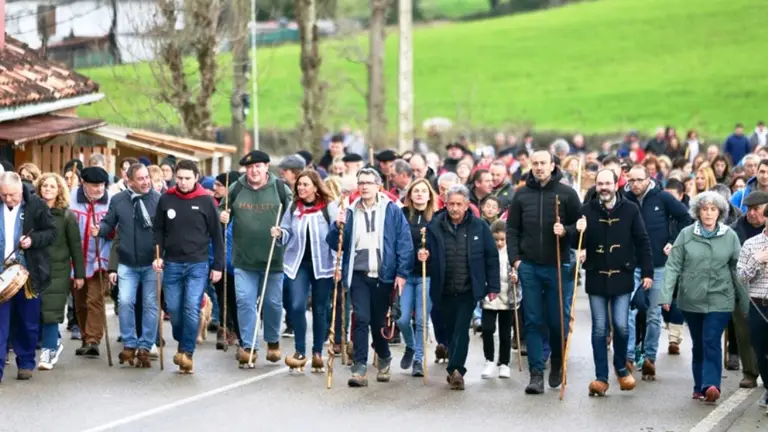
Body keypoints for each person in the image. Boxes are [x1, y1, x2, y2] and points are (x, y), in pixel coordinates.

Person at [327, 167, 413, 387]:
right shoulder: (350, 211)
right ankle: (359, 367)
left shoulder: (391, 210)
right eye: (361, 183)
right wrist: (337, 226)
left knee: (378, 322)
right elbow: (335, 243)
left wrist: (402, 273)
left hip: (384, 275)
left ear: (378, 186)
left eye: (368, 182)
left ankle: (384, 356)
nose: (364, 186)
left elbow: (404, 242)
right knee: (361, 318)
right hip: (358, 274)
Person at [506, 150, 582, 395]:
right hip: (529, 265)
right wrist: (515, 260)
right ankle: (536, 374)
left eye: (543, 163)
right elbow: (512, 229)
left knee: (557, 321)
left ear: (552, 165)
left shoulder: (567, 194)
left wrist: (566, 231)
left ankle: (558, 360)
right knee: (532, 320)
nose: (539, 167)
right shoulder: (521, 195)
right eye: (535, 163)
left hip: (558, 265)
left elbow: (581, 227)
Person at [662, 191, 748, 403]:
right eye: (704, 209)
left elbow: (737, 269)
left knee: (711, 339)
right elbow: (673, 265)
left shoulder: (730, 236)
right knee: (699, 343)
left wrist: (745, 301)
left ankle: (711, 385)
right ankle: (698, 386)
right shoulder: (686, 234)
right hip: (691, 298)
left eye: (713, 209)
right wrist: (666, 295)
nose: (708, 213)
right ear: (697, 212)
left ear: (719, 212)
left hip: (721, 297)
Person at [579, 169, 653, 396]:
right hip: (596, 275)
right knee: (599, 329)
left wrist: (647, 272)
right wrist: (577, 234)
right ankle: (601, 377)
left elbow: (642, 241)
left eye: (607, 183)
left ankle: (621, 367)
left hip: (622, 275)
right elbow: (576, 241)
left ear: (616, 185)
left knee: (621, 325)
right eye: (600, 184)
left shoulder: (630, 209)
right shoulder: (586, 210)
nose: (604, 188)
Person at [421, 184, 499, 390]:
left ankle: (456, 370)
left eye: (458, 204)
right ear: (446, 204)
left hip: (468, 288)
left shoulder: (479, 226)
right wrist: (423, 255)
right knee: (449, 329)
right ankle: (453, 367)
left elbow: (491, 256)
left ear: (466, 205)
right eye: (451, 204)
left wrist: (493, 286)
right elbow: (426, 251)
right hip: (443, 287)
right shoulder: (435, 226)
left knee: (461, 329)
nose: (454, 208)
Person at [220, 150, 291, 367]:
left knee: (272, 303)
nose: (253, 171)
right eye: (250, 167)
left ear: (266, 167)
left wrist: (283, 232)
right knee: (244, 301)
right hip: (244, 259)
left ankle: (272, 341)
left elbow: (293, 218)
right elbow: (221, 209)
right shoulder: (236, 188)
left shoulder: (281, 189)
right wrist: (222, 215)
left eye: (258, 166)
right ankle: (249, 346)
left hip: (273, 259)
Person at [153, 160, 223, 374]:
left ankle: (187, 353)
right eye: (180, 178)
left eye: (187, 178)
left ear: (196, 178)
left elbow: (216, 235)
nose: (183, 182)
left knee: (191, 307)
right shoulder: (166, 199)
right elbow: (158, 230)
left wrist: (217, 265)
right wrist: (157, 256)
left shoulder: (206, 201)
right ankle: (182, 340)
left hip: (198, 264)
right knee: (174, 310)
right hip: (172, 263)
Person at [623, 164, 692, 379]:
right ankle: (628, 357)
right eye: (631, 180)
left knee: (653, 314)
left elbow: (686, 218)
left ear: (648, 179)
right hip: (630, 264)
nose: (635, 184)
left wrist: (673, 241)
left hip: (658, 265)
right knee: (628, 312)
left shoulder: (662, 198)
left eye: (639, 180)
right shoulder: (623, 199)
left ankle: (650, 358)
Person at [271, 170, 337, 373]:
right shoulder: (293, 207)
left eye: (305, 184)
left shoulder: (329, 207)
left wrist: (341, 227)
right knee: (297, 305)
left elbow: (338, 234)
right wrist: (280, 233)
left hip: (323, 264)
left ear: (316, 187)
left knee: (320, 308)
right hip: (298, 263)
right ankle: (300, 351)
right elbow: (287, 231)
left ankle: (317, 352)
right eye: (299, 184)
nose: (301, 188)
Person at [95, 163, 160, 366]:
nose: (146, 182)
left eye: (147, 177)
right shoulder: (118, 200)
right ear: (129, 181)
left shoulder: (158, 200)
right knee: (124, 302)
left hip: (151, 262)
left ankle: (146, 345)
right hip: (127, 262)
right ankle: (129, 344)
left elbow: (166, 231)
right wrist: (100, 229)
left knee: (150, 304)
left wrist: (162, 256)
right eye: (140, 179)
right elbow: (109, 224)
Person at [0, 172, 57, 382]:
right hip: (1, 272)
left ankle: (25, 362)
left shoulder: (36, 205)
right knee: (0, 323)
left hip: (28, 273)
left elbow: (52, 232)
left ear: (20, 190)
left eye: (12, 195)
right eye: (3, 195)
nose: (8, 199)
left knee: (27, 321)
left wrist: (32, 240)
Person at [34, 173, 85, 371]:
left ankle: (48, 351)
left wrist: (79, 274)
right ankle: (53, 341)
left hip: (58, 270)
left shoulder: (66, 216)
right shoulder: (32, 211)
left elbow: (75, 246)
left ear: (59, 191)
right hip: (34, 269)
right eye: (44, 185)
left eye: (52, 186)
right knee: (36, 311)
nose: (47, 189)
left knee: (51, 310)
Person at [396, 178, 438, 377]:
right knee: (402, 318)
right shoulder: (402, 215)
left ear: (429, 196)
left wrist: (429, 253)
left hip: (426, 275)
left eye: (423, 191)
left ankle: (419, 360)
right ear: (410, 195)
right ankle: (411, 345)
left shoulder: (436, 218)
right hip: (405, 274)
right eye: (416, 191)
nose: (420, 194)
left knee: (421, 319)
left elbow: (441, 245)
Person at [69, 167, 112, 357]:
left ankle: (93, 340)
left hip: (100, 258)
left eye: (102, 185)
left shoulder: (112, 200)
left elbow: (117, 229)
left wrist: (105, 231)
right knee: (80, 302)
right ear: (83, 183)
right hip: (77, 260)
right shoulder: (71, 198)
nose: (99, 189)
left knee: (95, 299)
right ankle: (86, 338)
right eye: (95, 185)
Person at [727, 191, 768, 388]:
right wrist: (756, 260)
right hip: (748, 295)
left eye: (756, 209)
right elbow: (739, 273)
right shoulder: (737, 233)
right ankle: (751, 374)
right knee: (749, 337)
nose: (751, 213)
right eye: (749, 209)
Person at [736, 204, 768, 414]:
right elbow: (740, 277)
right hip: (759, 305)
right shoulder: (751, 244)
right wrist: (757, 260)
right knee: (761, 352)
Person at [480, 219, 515, 380]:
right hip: (490, 296)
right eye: (496, 239)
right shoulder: (486, 252)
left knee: (505, 332)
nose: (499, 243)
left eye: (502, 239)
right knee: (487, 328)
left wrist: (516, 276)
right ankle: (489, 360)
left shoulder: (512, 252)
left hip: (508, 296)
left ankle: (504, 363)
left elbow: (518, 268)